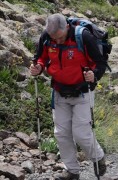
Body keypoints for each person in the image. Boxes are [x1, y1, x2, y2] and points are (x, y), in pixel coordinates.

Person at [30, 14, 107, 179]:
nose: (56, 41)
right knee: (61, 133)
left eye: (58, 37)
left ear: (66, 28)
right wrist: (38, 67)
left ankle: (98, 158)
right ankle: (72, 171)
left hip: (82, 91)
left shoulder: (83, 37)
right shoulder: (47, 37)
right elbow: (41, 58)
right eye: (53, 38)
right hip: (59, 90)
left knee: (81, 133)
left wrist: (94, 75)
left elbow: (99, 63)